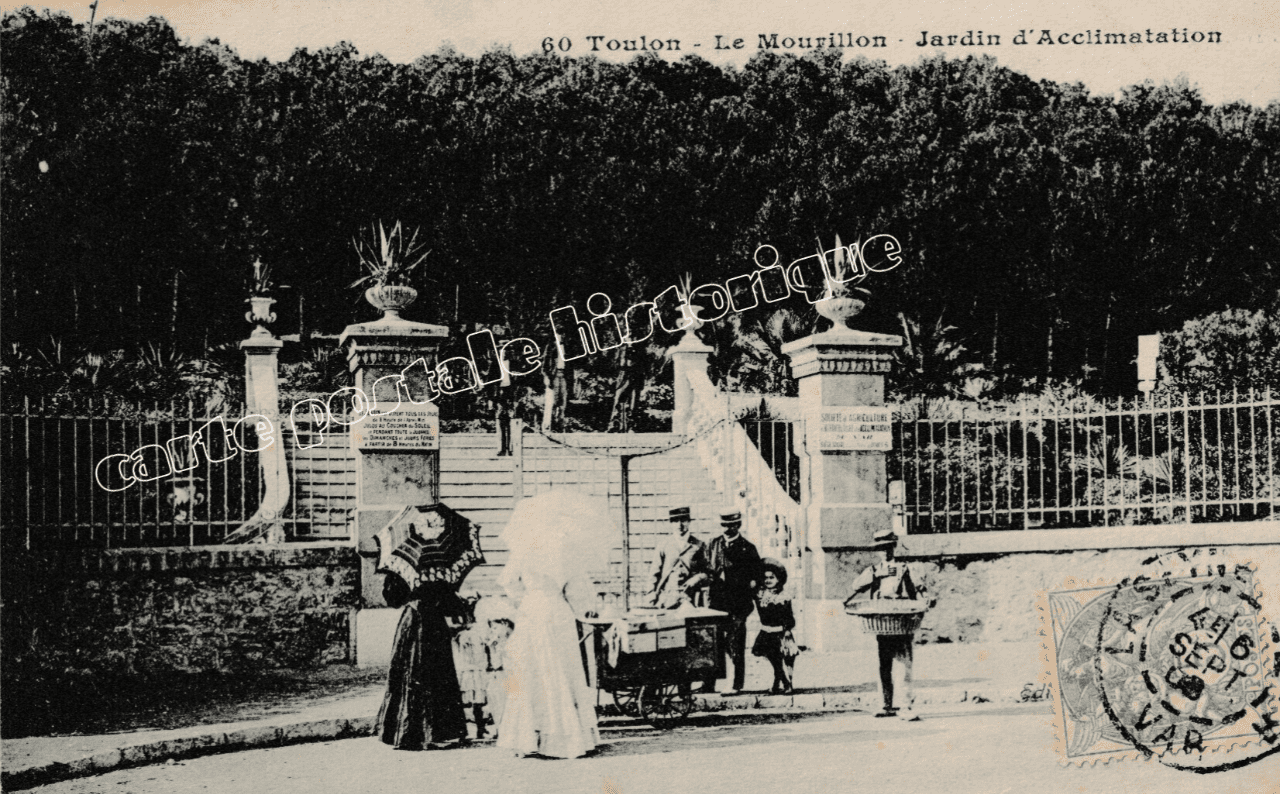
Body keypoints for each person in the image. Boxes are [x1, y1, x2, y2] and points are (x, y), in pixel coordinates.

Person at [495, 560, 600, 758]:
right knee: (561, 670)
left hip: (531, 610)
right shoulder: (563, 553)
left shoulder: (524, 552)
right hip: (557, 611)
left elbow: (509, 583)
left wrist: (526, 596)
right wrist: (576, 606)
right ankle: (566, 738)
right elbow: (576, 594)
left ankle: (531, 739)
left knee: (532, 671)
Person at [376, 573, 471, 750]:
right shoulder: (439, 572)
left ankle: (408, 733)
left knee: (411, 673)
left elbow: (393, 601)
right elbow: (452, 607)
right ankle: (438, 733)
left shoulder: (402, 570)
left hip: (412, 623)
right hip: (434, 626)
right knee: (436, 675)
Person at [848, 528, 929, 721]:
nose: (884, 551)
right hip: (882, 621)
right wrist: (875, 576)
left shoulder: (905, 569)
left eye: (887, 547)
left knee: (903, 664)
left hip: (901, 620)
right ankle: (885, 704)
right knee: (883, 665)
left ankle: (905, 706)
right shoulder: (874, 570)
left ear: (894, 547)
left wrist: (924, 601)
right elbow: (856, 586)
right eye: (880, 548)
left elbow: (919, 590)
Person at [701, 508, 762, 693]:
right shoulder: (713, 544)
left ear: (738, 525)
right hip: (715, 605)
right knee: (713, 645)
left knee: (736, 646)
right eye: (724, 525)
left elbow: (757, 579)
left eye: (731, 525)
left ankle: (737, 685)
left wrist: (745, 609)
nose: (727, 529)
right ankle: (708, 685)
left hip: (738, 606)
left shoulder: (748, 548)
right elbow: (706, 569)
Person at [752, 558, 799, 694]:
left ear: (779, 579)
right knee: (774, 661)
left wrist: (788, 630)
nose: (768, 581)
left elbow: (788, 616)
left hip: (781, 633)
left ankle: (786, 683)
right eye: (765, 578)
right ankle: (779, 682)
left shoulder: (783, 596)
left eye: (772, 577)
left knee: (784, 660)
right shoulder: (761, 595)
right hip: (766, 633)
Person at [649, 506, 710, 609]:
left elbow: (708, 572)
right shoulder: (664, 545)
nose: (679, 525)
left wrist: (697, 578)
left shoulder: (699, 545)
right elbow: (654, 573)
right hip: (668, 597)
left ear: (689, 521)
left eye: (683, 520)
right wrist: (651, 598)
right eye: (675, 521)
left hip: (691, 598)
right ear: (670, 523)